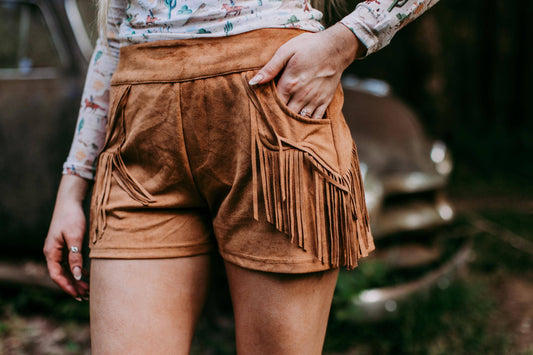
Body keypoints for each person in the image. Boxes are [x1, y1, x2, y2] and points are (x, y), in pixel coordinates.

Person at [44, 0, 440, 353]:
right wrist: (71, 186)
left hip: (273, 116)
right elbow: (112, 42)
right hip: (139, 137)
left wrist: (346, 40)